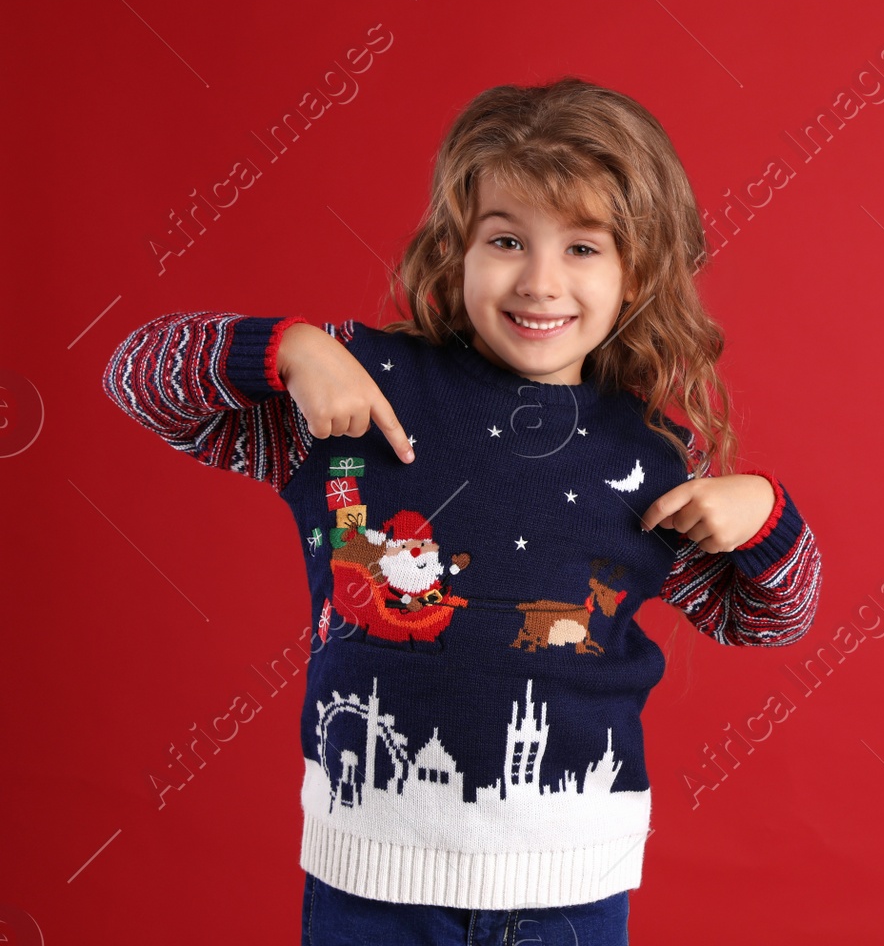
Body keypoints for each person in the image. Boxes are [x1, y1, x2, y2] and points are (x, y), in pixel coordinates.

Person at [102, 78, 822, 946]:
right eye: (507, 240)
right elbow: (139, 378)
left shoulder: (657, 459)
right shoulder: (359, 390)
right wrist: (286, 350)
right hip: (369, 881)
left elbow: (770, 620)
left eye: (584, 248)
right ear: (458, 252)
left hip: (571, 889)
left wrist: (767, 515)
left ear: (640, 272)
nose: (540, 281)